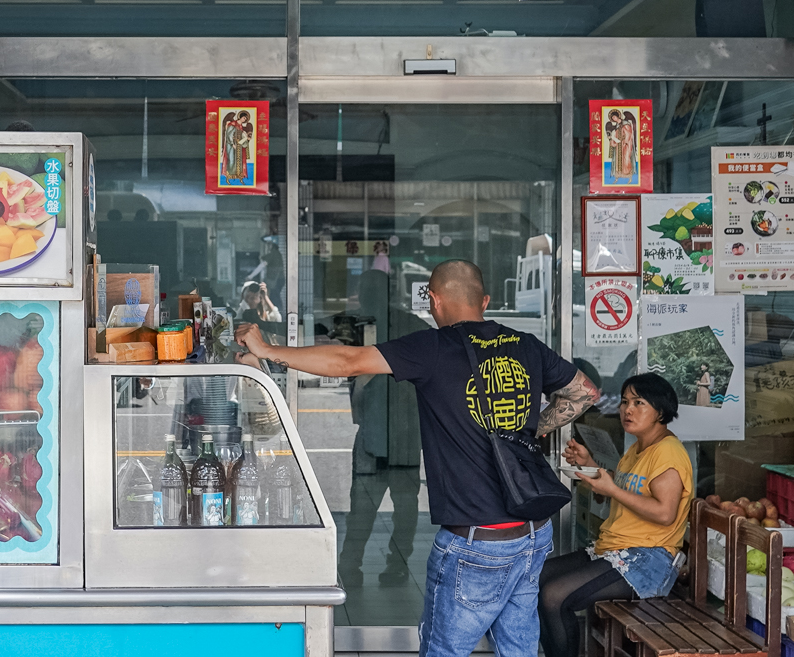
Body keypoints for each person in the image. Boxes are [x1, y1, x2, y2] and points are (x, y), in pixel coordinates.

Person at [236, 259, 599, 657]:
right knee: (518, 650)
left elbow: (348, 362)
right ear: (486, 301)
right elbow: (584, 392)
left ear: (435, 299)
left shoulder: (433, 347)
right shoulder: (526, 345)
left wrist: (268, 349)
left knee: (445, 651)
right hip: (532, 533)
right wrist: (537, 427)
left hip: (477, 540)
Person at [537, 373, 693, 657]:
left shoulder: (668, 453)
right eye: (624, 402)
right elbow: (619, 492)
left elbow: (665, 513)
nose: (627, 409)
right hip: (615, 549)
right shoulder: (637, 448)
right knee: (536, 578)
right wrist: (591, 466)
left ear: (661, 411)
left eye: (639, 402)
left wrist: (611, 488)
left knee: (554, 597)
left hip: (647, 559)